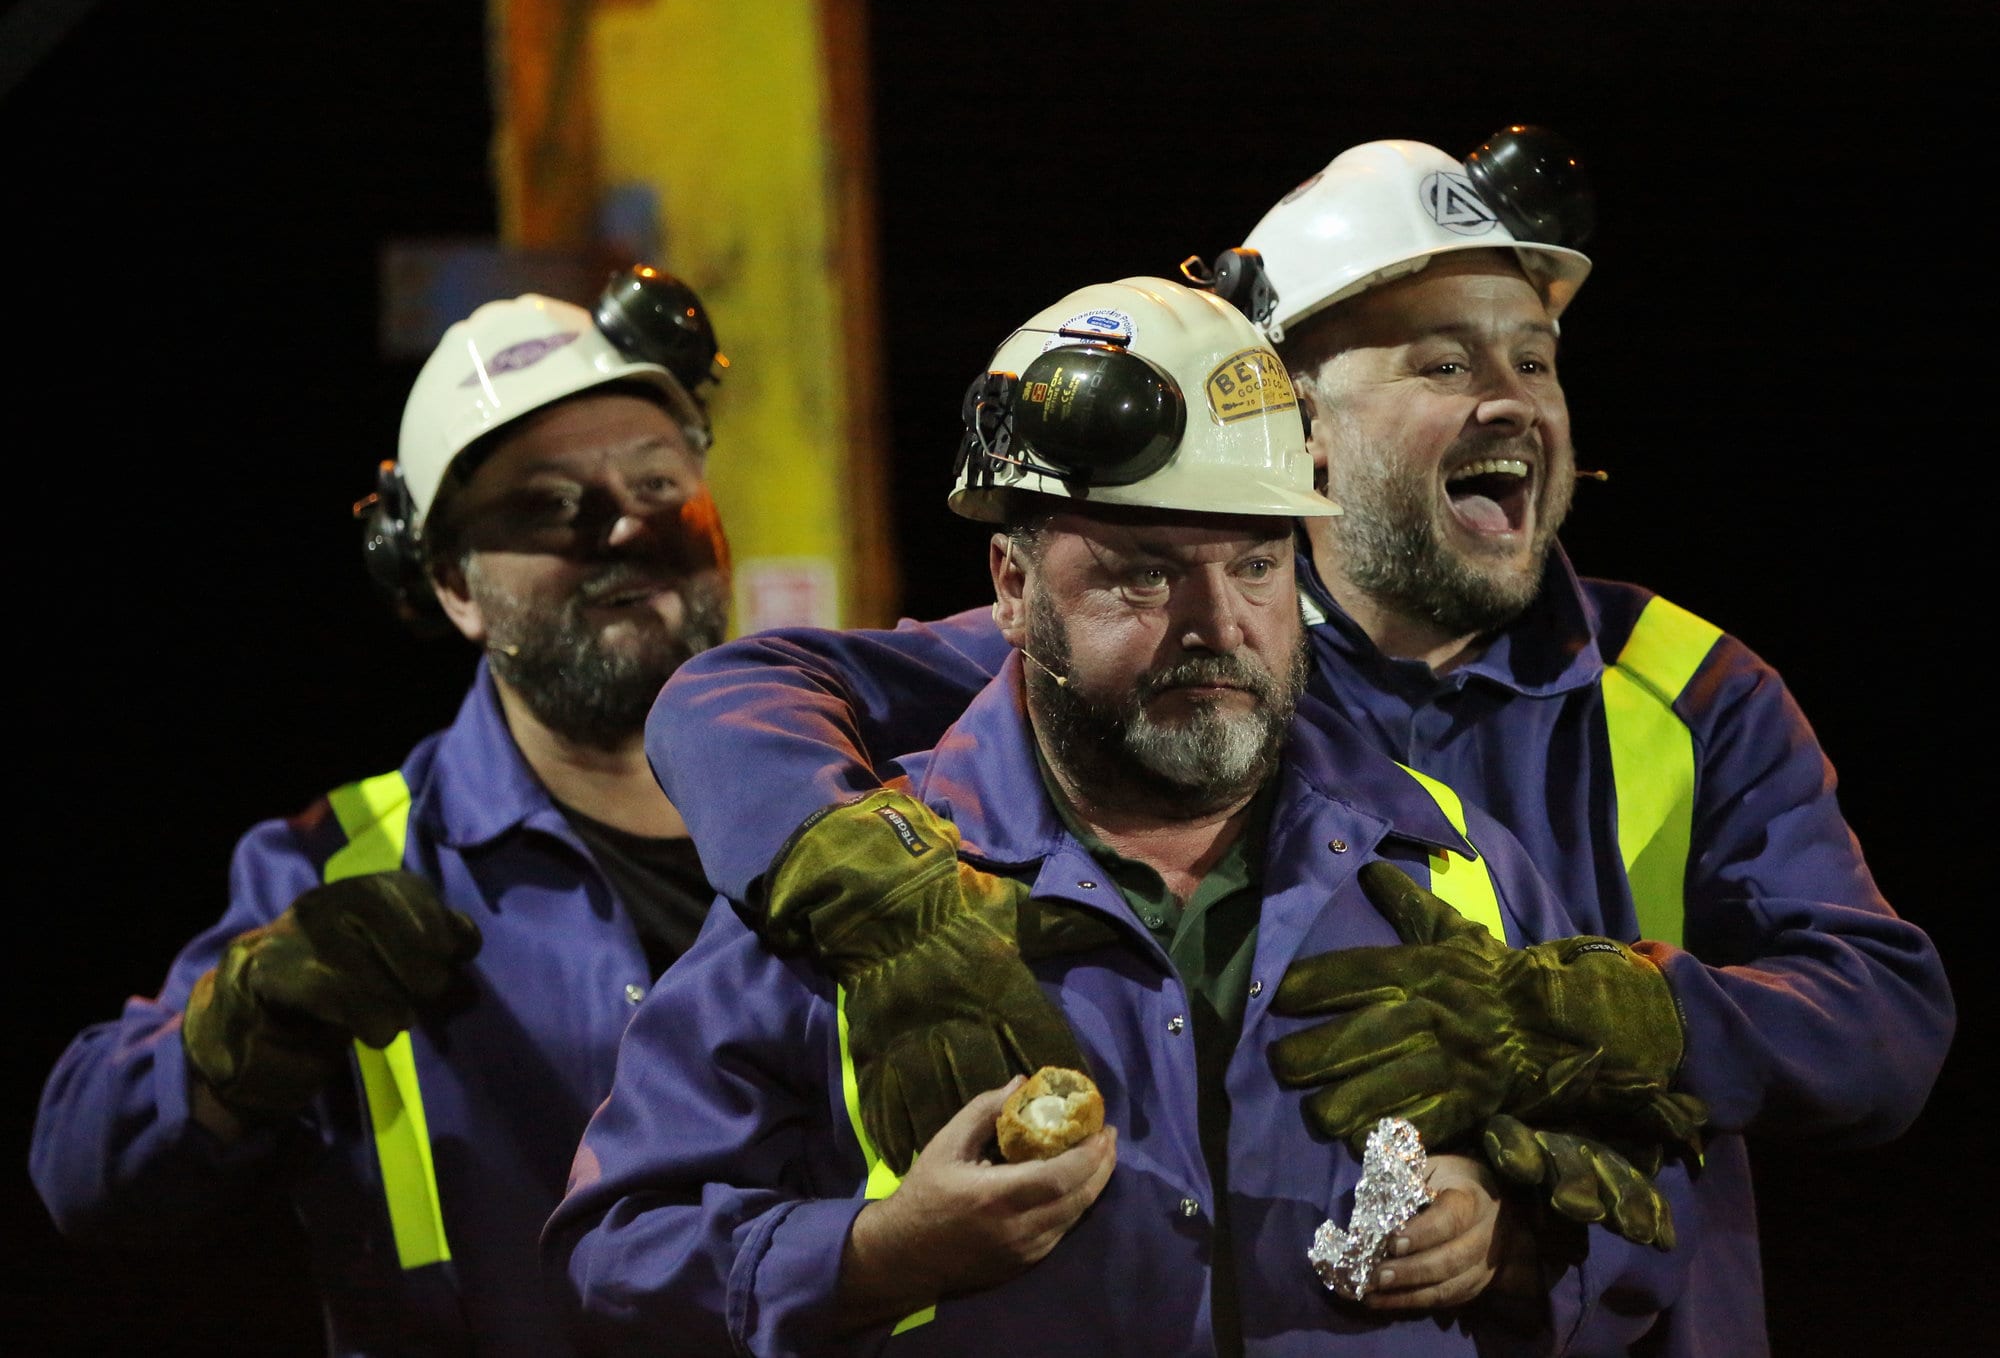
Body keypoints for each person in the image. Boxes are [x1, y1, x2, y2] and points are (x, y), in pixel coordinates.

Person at [643, 136, 1954, 1355]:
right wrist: (874, 895)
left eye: (1535, 361)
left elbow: (1885, 1024)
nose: (1512, 404)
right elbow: (733, 698)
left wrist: (1603, 1030)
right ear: (1299, 422)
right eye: (1444, 364)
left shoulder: (1682, 691)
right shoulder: (1178, 662)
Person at [548, 278, 1696, 1357]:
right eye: (1140, 575)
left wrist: (1514, 1233)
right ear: (1009, 584)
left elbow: (1643, 1198)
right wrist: (873, 1258)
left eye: (1254, 565)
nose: (1217, 624)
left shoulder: (1451, 861)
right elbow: (618, 1254)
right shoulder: (854, 896)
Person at [31, 269, 734, 1356]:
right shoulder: (346, 868)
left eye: (656, 481)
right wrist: (240, 1032)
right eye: (547, 505)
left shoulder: (863, 808)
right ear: (451, 584)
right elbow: (86, 1170)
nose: (624, 532)